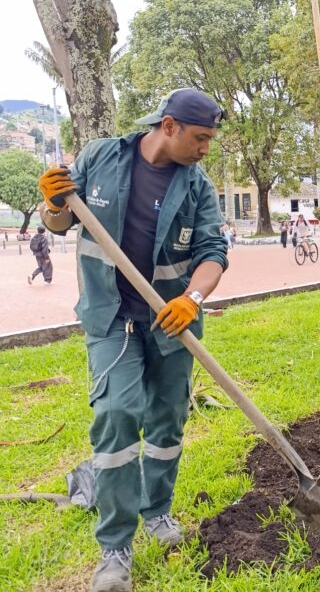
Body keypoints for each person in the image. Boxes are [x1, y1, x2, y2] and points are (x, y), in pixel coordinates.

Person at [37, 88, 228, 592]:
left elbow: (213, 251)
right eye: (200, 138)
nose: (206, 148)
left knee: (167, 423)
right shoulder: (101, 156)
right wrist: (53, 202)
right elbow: (60, 223)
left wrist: (193, 298)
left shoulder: (197, 186)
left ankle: (157, 511)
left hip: (171, 324)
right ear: (168, 126)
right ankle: (115, 546)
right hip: (111, 318)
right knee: (117, 415)